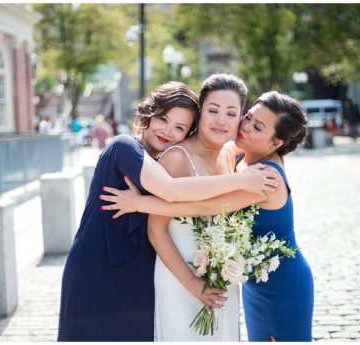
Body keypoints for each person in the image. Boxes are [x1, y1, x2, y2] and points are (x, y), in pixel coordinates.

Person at [57, 81, 279, 341]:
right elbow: (172, 190)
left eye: (180, 127)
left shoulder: (162, 159)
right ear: (149, 115)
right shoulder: (124, 147)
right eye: (163, 119)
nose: (168, 131)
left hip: (138, 271)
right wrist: (241, 181)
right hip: (97, 265)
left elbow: (200, 198)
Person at [101, 91, 313, 341]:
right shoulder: (242, 158)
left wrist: (140, 203)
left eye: (257, 127)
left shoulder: (268, 178)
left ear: (276, 143)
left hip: (283, 284)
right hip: (252, 284)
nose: (243, 126)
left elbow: (204, 207)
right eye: (247, 117)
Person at [147, 74, 250, 341]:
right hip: (179, 274)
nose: (221, 120)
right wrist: (193, 284)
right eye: (213, 110)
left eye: (231, 113)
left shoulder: (230, 154)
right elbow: (155, 230)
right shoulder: (177, 158)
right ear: (200, 111)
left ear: (240, 117)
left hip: (222, 275)